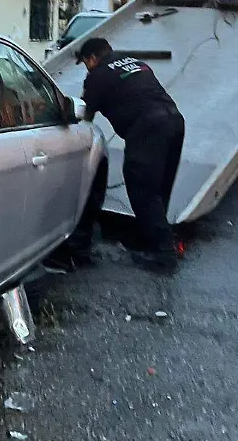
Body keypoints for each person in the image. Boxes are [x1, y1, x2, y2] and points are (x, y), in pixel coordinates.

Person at [76, 37, 185, 273]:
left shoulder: (97, 76)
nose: (87, 67)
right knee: (158, 190)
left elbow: (84, 115)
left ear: (92, 58)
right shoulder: (135, 62)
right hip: (174, 121)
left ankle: (164, 255)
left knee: (143, 190)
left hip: (148, 128)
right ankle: (152, 243)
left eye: (85, 62)